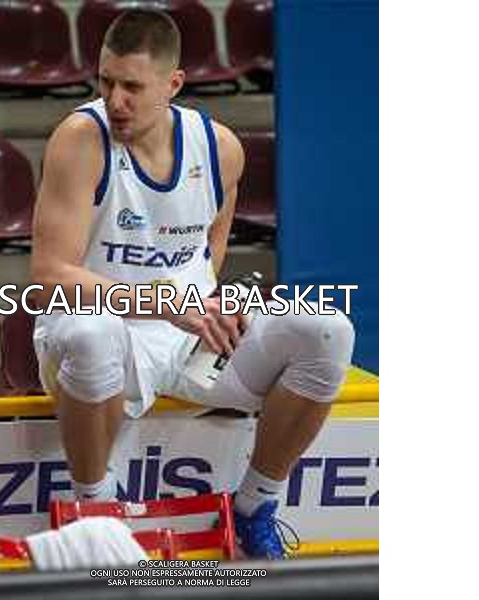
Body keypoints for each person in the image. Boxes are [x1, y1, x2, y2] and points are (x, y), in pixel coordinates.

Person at [30, 9, 355, 559]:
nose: (115, 100)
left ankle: (254, 507)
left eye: (132, 87)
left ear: (174, 84)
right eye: (106, 82)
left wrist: (214, 303)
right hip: (99, 329)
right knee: (90, 333)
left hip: (185, 332)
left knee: (328, 330)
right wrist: (166, 303)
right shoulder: (81, 139)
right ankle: (98, 517)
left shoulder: (220, 148)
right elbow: (49, 279)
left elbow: (208, 250)